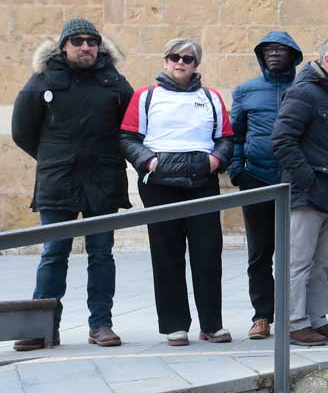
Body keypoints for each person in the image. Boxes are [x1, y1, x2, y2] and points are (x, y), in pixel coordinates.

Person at [11, 19, 133, 350]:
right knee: (53, 253)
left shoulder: (114, 81)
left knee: (101, 254)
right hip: (57, 182)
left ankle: (101, 325)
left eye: (91, 41)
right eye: (77, 41)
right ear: (64, 45)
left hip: (103, 181)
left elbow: (132, 125)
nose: (85, 46)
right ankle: (43, 329)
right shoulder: (42, 80)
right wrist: (53, 157)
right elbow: (22, 131)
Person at [119, 38, 233, 346]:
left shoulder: (210, 97)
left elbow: (225, 137)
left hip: (202, 182)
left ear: (197, 65)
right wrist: (151, 163)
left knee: (208, 253)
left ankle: (212, 324)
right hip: (160, 185)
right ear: (165, 60)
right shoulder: (146, 96)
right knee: (166, 254)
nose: (180, 63)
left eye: (188, 58)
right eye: (174, 57)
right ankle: (174, 325)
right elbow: (128, 138)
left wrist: (215, 160)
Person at [272, 36, 328, 346]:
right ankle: (294, 323)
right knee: (298, 261)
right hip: (307, 195)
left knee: (322, 262)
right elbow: (282, 141)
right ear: (327, 61)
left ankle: (316, 319)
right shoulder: (304, 93)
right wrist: (309, 181)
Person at [228, 30, 303, 340]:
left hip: (296, 182)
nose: (274, 54)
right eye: (268, 50)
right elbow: (235, 134)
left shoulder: (303, 89)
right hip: (256, 179)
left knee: (298, 253)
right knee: (260, 253)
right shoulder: (246, 91)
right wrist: (236, 169)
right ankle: (262, 315)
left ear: (292, 55)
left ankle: (296, 315)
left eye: (281, 50)